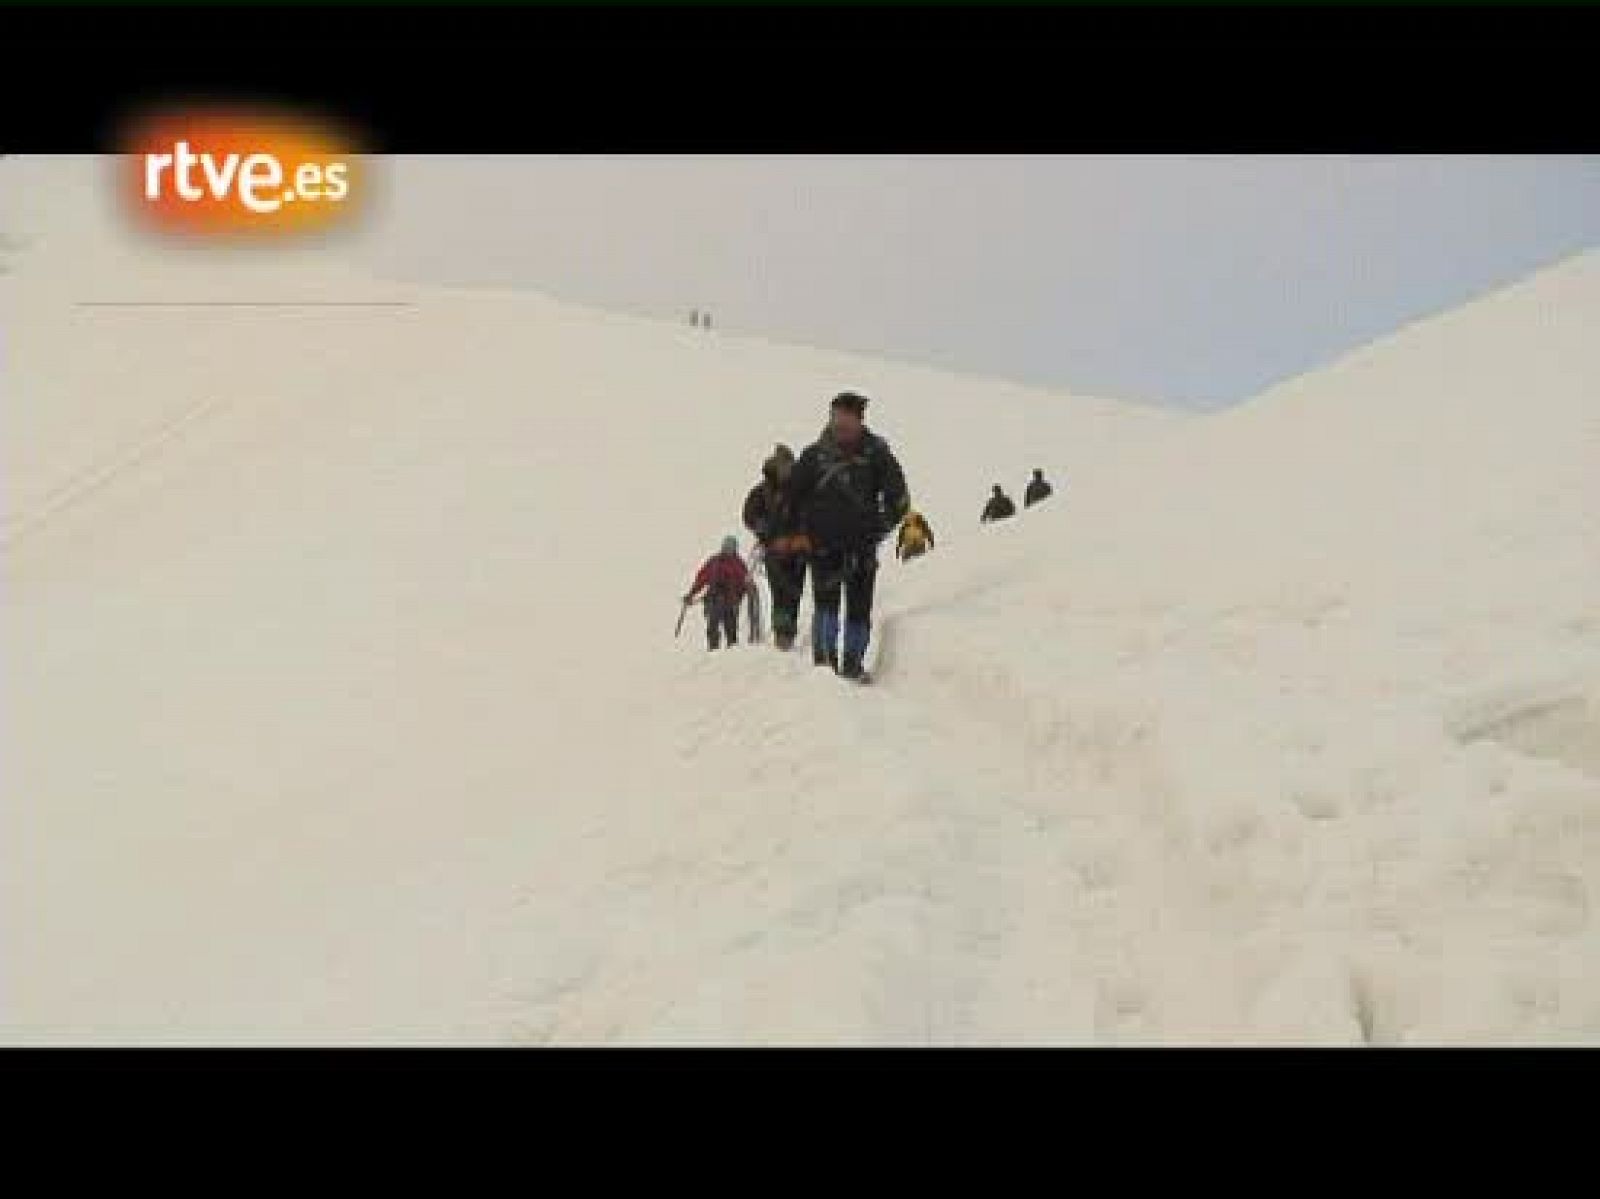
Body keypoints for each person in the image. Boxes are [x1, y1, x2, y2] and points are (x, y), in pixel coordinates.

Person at [787, 391, 910, 680]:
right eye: (835, 417)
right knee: (825, 605)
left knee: (859, 607)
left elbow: (900, 499)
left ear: (859, 419)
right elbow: (792, 498)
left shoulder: (878, 455)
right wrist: (797, 534)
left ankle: (853, 662)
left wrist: (879, 527)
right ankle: (824, 662)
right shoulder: (813, 456)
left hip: (861, 549)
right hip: (822, 546)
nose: (839, 423)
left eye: (845, 418)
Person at [742, 444, 811, 650]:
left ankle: (788, 632)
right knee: (779, 591)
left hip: (797, 550)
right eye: (783, 465)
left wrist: (803, 536)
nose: (786, 470)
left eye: (789, 465)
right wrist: (768, 535)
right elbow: (749, 515)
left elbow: (811, 515)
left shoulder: (800, 491)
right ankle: (782, 634)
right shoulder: (762, 491)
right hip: (773, 550)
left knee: (794, 591)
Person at [683, 535, 755, 651]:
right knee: (713, 625)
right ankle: (714, 649)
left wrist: (747, 589)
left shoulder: (738, 564)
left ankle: (731, 650)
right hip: (715, 599)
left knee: (730, 627)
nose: (728, 550)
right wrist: (691, 593)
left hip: (730, 601)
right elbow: (701, 579)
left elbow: (744, 582)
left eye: (730, 548)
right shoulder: (714, 562)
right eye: (727, 547)